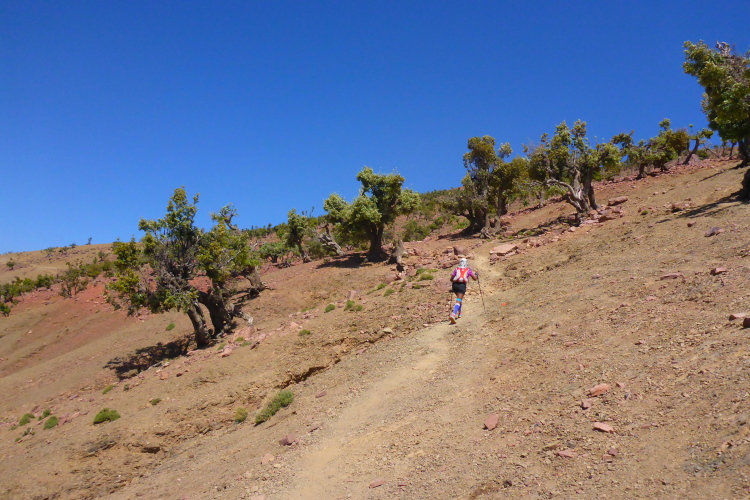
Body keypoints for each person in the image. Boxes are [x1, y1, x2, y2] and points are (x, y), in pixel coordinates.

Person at [449, 258, 478, 324]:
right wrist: (476, 274)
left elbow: (451, 279)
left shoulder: (456, 269)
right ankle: (453, 314)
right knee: (459, 300)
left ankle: (460, 313)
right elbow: (474, 279)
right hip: (462, 286)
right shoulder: (468, 270)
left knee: (459, 299)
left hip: (455, 285)